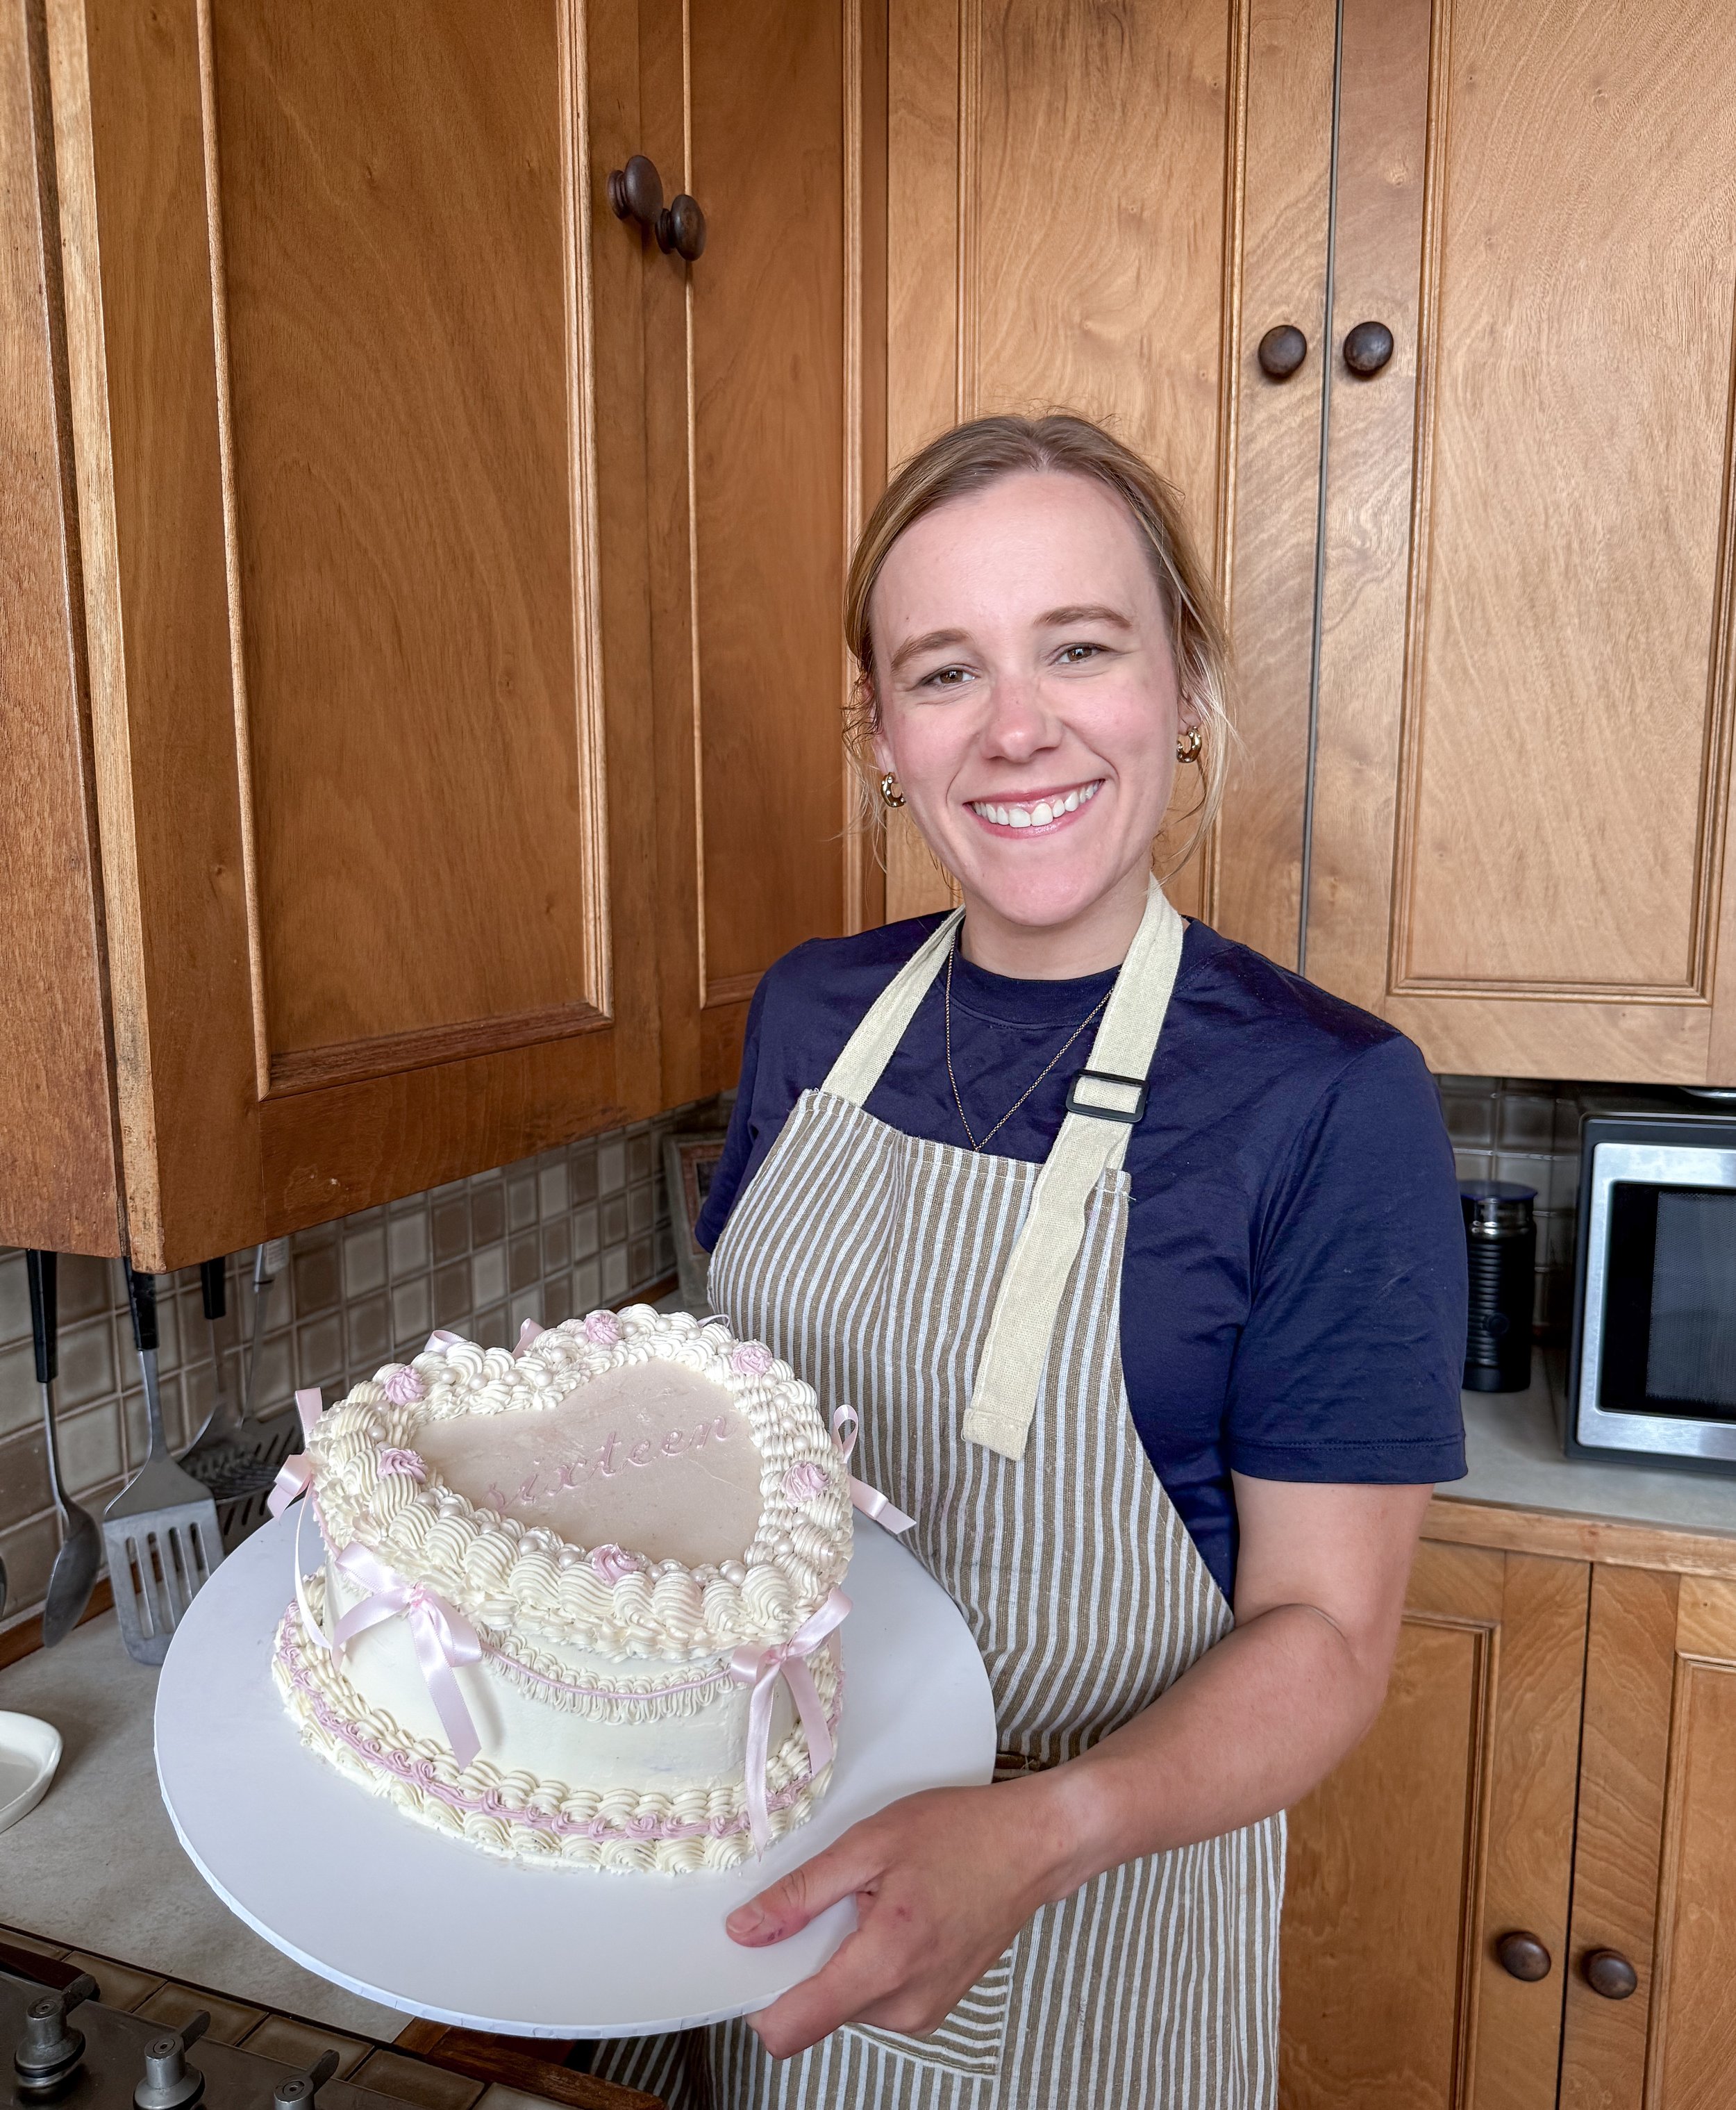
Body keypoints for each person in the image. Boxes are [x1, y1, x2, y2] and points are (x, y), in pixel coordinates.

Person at [596, 413, 1467, 2109]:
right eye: (942, 672)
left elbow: (1326, 1633)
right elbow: (740, 1450)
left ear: (1183, 686)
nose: (1015, 730)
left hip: (1090, 1914)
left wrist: (1041, 1829)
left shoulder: (1326, 1099)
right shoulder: (810, 1014)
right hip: (751, 1854)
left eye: (1078, 647)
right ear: (877, 734)